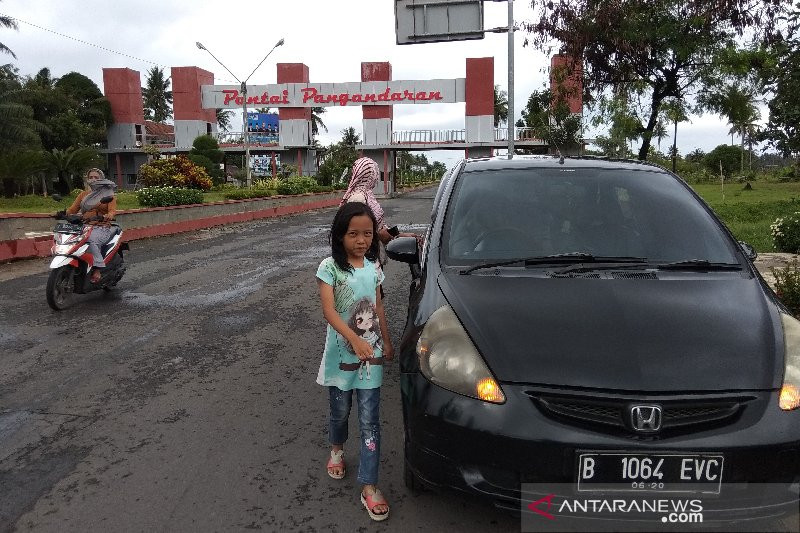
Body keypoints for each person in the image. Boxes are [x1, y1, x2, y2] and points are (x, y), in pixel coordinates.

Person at [316, 201, 393, 522]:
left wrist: (386, 341)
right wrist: (354, 338)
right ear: (339, 236)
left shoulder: (374, 268)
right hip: (341, 356)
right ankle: (336, 449)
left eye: (367, 234)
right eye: (353, 234)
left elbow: (378, 307)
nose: (361, 240)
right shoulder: (329, 268)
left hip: (371, 357)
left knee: (370, 420)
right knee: (340, 411)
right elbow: (329, 312)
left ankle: (369, 485)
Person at [341, 157, 420, 248]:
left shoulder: (367, 194)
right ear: (367, 174)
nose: (376, 176)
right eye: (374, 172)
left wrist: (398, 235)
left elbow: (378, 226)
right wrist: (379, 235)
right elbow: (356, 233)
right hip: (364, 254)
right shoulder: (358, 198)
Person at [64, 168, 118, 284]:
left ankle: (97, 269)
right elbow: (73, 209)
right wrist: (62, 213)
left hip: (102, 226)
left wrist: (108, 215)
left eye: (96, 177)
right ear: (87, 179)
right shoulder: (83, 195)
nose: (93, 180)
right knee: (70, 238)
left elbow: (112, 210)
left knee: (91, 240)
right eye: (91, 177)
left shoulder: (108, 194)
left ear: (102, 179)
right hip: (85, 226)